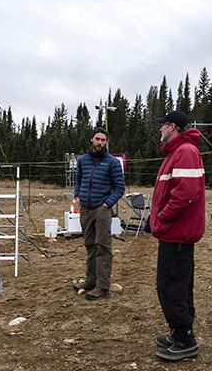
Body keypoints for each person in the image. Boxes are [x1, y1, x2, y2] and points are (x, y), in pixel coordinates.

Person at [150, 111, 205, 362]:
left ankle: (185, 338)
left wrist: (162, 218)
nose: (159, 129)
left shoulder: (185, 152)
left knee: (170, 285)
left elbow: (185, 195)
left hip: (176, 233)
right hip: (175, 233)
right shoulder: (177, 151)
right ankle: (180, 331)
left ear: (172, 126)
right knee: (178, 284)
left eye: (162, 125)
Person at [73, 127, 125, 300]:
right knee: (89, 245)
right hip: (85, 209)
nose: (100, 142)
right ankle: (90, 281)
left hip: (101, 210)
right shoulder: (83, 161)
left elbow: (119, 188)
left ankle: (102, 286)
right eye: (97, 139)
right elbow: (78, 179)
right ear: (91, 140)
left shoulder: (112, 162)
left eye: (103, 140)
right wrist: (77, 195)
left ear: (106, 142)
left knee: (102, 247)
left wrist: (107, 204)